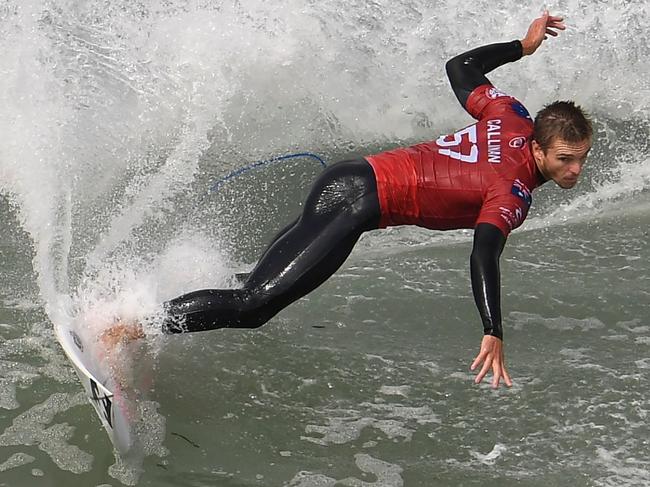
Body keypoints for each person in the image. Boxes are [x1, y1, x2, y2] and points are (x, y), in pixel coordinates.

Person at [105, 12, 592, 389]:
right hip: (358, 203)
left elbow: (461, 67)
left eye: (582, 159)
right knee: (256, 306)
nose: (575, 170)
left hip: (348, 177)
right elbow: (485, 250)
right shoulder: (511, 191)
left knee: (257, 281)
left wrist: (523, 47)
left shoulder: (510, 114)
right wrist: (493, 329)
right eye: (566, 158)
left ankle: (153, 307)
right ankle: (127, 330)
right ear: (537, 147)